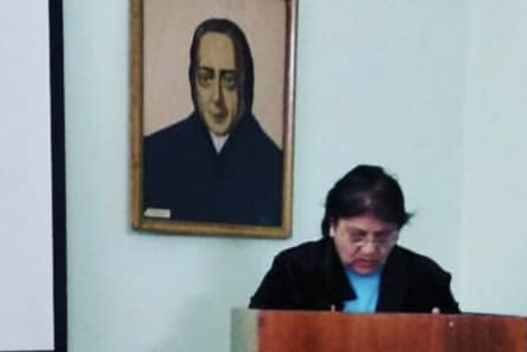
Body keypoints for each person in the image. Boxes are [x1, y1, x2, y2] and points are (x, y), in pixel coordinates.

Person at [249, 165, 460, 313]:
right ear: (333, 225)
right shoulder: (294, 269)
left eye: (383, 237)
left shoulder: (425, 277)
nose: (370, 249)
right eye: (357, 236)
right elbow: (256, 333)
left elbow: (457, 344)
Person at [142, 18, 283, 226]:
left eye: (229, 81)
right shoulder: (153, 153)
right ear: (193, 81)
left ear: (246, 84)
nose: (216, 97)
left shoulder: (274, 167)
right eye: (206, 78)